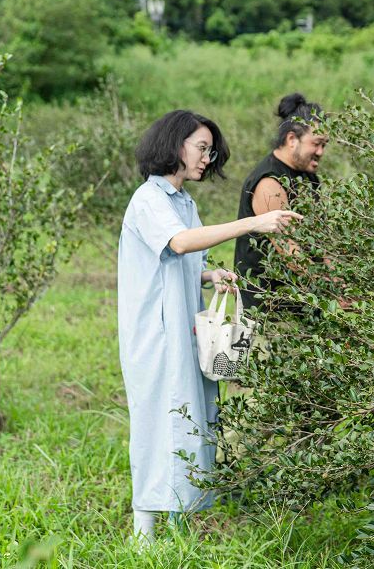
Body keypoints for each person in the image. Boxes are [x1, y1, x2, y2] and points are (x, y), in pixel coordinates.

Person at [117, 109, 301, 545]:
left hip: (183, 332)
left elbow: (183, 259)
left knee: (189, 422)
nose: (206, 157)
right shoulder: (149, 199)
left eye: (209, 150)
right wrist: (254, 222)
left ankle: (178, 527)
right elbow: (178, 242)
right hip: (155, 336)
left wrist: (210, 276)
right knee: (155, 424)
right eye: (201, 148)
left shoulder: (183, 202)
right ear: (174, 145)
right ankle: (143, 539)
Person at [234, 93, 327, 312]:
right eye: (316, 143)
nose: (321, 152)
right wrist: (330, 289)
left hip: (306, 296)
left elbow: (323, 239)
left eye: (325, 144)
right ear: (292, 139)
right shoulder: (269, 182)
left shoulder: (309, 176)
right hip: (270, 306)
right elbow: (290, 250)